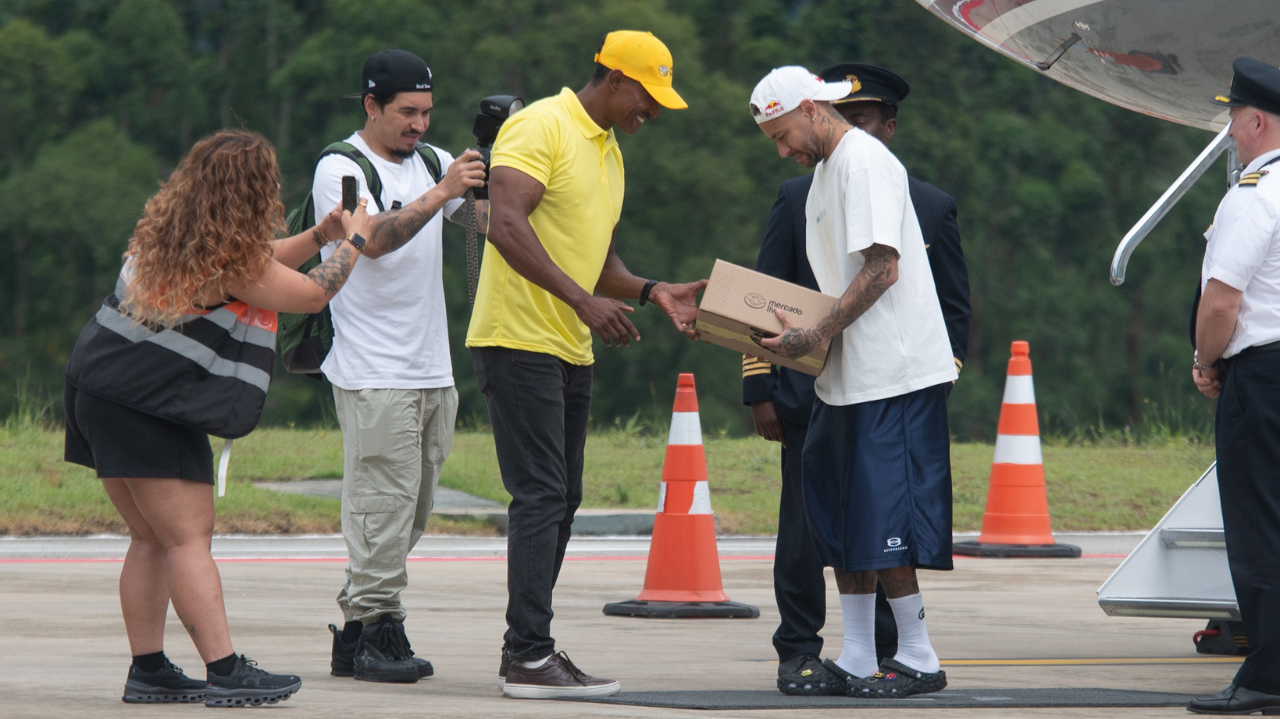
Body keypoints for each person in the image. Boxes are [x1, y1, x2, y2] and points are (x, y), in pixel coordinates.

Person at [62, 130, 374, 707]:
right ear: (254, 193)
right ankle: (225, 670)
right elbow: (308, 294)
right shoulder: (227, 257)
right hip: (145, 405)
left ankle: (149, 669)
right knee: (186, 538)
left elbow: (259, 267)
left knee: (150, 538)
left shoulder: (173, 234)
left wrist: (319, 234)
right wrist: (353, 242)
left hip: (96, 389)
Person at [466, 30, 706, 699]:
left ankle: (531, 649)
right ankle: (528, 654)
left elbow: (596, 259)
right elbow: (505, 224)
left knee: (562, 497)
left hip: (567, 344)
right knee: (541, 494)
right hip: (518, 338)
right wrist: (583, 300)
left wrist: (653, 289)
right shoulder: (539, 126)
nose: (651, 112)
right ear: (613, 78)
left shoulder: (607, 151)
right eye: (647, 97)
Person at [743, 63, 970, 696]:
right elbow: (831, 282)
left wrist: (813, 335)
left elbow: (881, 270)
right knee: (844, 521)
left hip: (891, 374)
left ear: (813, 109)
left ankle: (920, 655)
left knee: (884, 520)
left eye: (783, 133)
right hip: (846, 374)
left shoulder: (864, 161)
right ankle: (860, 654)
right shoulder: (823, 174)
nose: (783, 149)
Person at [314, 48, 487, 684]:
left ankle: (355, 630)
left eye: (427, 113)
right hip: (372, 367)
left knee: (411, 510)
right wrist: (442, 191)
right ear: (371, 106)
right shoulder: (343, 167)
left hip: (431, 364)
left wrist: (500, 179)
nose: (419, 126)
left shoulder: (436, 161)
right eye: (407, 113)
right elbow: (375, 244)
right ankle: (381, 629)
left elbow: (486, 225)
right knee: (379, 504)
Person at [1187, 57, 1280, 716]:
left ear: (1255, 120)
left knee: (1260, 528)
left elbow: (1222, 302)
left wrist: (1204, 359)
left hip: (1263, 377)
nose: (1227, 130)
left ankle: (1270, 674)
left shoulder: (1254, 192)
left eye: (1232, 117)